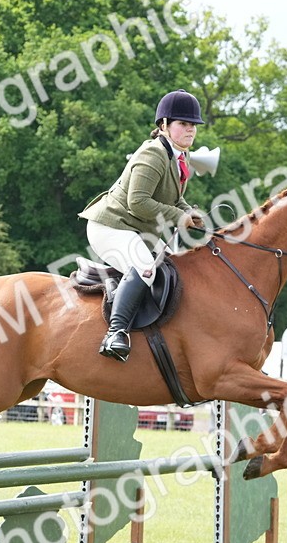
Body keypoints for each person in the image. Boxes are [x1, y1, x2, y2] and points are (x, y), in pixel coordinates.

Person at [79, 89, 207, 362]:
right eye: (183, 123)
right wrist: (178, 216)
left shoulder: (178, 156)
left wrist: (188, 212)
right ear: (164, 125)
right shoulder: (153, 154)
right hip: (111, 226)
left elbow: (174, 199)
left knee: (177, 268)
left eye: (193, 125)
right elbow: (137, 202)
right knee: (146, 268)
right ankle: (115, 333)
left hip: (137, 228)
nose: (190, 129)